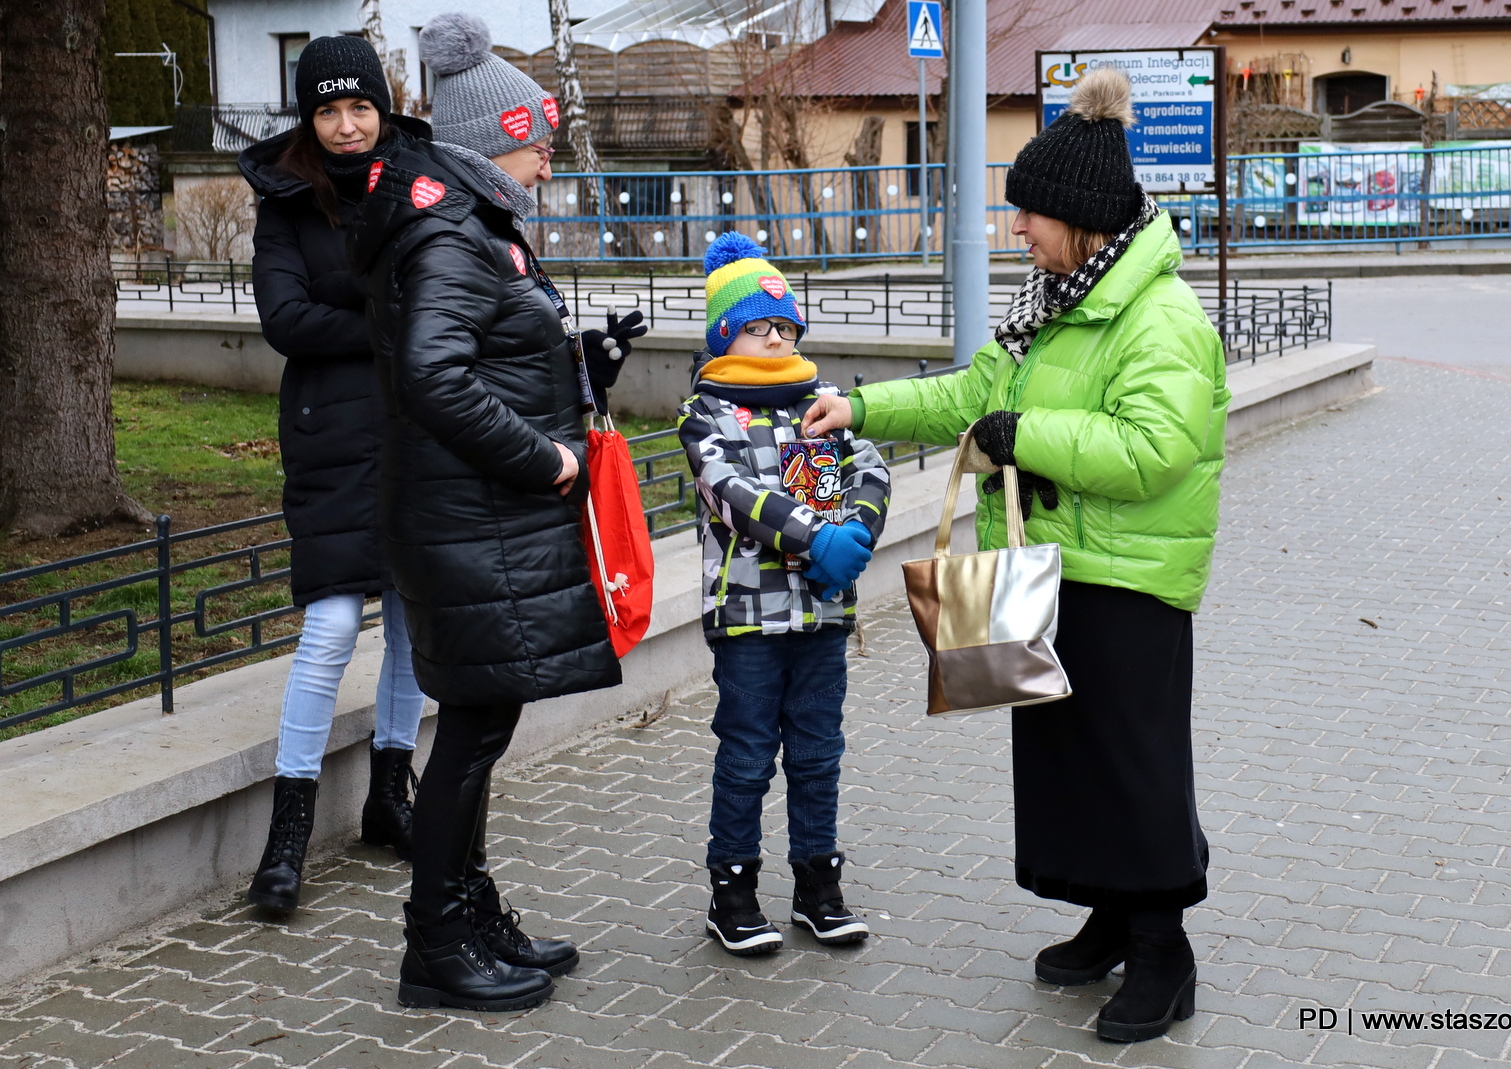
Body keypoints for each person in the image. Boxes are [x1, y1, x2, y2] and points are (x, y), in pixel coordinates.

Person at [803, 67, 1229, 1043]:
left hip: (1128, 577)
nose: (1015, 231)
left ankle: (1165, 953)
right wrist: (860, 408)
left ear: (1079, 217)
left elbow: (1149, 452)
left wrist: (1023, 434)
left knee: (1132, 762)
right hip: (1051, 562)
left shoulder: (1159, 319)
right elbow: (969, 398)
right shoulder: (1051, 304)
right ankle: (1113, 914)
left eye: (1028, 214)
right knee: (1068, 758)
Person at [346, 13, 642, 1012]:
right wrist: (548, 459)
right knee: (473, 731)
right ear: (489, 141)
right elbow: (433, 376)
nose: (549, 148)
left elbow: (479, 359)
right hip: (469, 520)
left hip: (475, 519)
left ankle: (469, 911)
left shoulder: (474, 222)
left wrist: (578, 371)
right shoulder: (449, 233)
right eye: (535, 131)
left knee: (481, 725)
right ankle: (435, 943)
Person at [239, 34, 432, 913]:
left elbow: (442, 292)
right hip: (328, 439)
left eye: (361, 107)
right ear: (307, 118)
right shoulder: (285, 202)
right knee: (326, 630)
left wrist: (361, 311)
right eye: (328, 109)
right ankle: (287, 836)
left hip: (415, 428)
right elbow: (285, 320)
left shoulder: (421, 178)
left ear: (383, 109)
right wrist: (384, 320)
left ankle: (392, 797)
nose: (348, 126)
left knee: (407, 620)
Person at [678, 233, 891, 956]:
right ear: (725, 334)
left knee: (817, 751)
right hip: (748, 621)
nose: (775, 338)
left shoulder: (818, 403)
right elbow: (731, 493)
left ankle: (818, 885)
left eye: (785, 327)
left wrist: (854, 535)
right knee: (745, 755)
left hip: (823, 614)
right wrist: (811, 537)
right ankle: (731, 891)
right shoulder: (707, 414)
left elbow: (870, 465)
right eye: (758, 327)